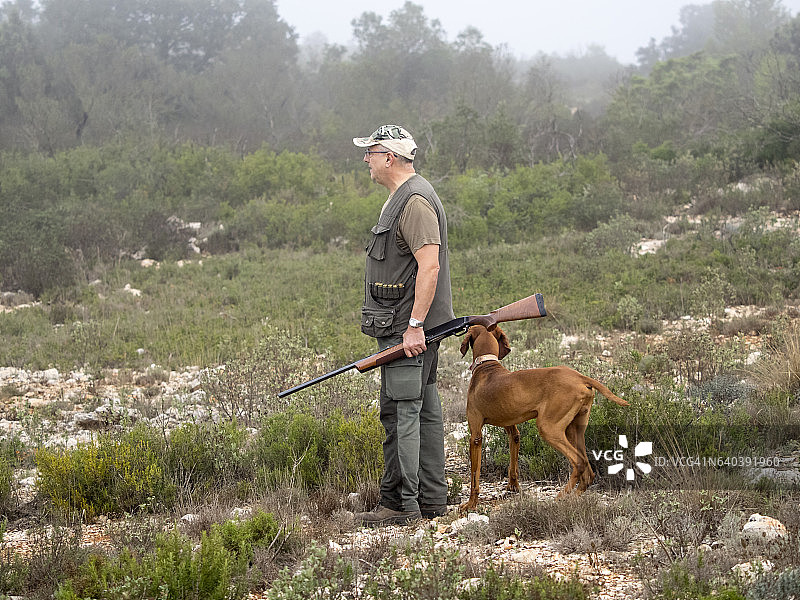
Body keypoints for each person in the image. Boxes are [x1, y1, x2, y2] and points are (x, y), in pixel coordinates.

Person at [352, 124, 455, 526]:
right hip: (408, 327)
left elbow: (429, 266)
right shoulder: (406, 196)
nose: (366, 159)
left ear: (389, 157)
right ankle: (431, 500)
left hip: (407, 329)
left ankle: (399, 506)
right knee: (422, 407)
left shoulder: (413, 202)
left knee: (400, 412)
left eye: (371, 152)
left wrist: (414, 325)